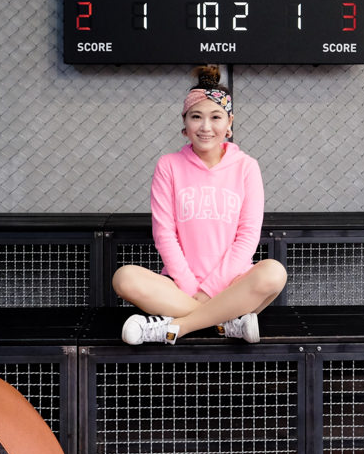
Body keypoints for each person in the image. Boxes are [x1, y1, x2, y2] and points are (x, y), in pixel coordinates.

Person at [112, 65, 288, 345]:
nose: (206, 127)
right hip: (180, 288)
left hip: (234, 286)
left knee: (274, 273)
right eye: (196, 117)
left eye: (216, 117)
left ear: (229, 123)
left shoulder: (246, 167)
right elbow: (164, 234)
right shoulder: (168, 166)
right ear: (185, 125)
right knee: (125, 278)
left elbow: (247, 237)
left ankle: (174, 328)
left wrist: (212, 289)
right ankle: (225, 323)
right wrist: (194, 289)